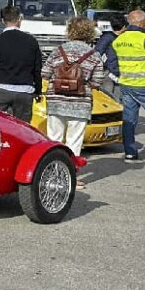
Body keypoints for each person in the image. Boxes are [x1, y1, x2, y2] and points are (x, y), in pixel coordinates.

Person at [41, 17, 105, 181]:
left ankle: (50, 175)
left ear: (70, 31)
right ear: (89, 33)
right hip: (80, 103)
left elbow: (45, 74)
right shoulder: (94, 55)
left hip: (56, 102)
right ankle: (69, 177)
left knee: (53, 140)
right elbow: (97, 82)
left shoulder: (58, 51)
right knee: (74, 143)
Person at [110, 9, 145, 164]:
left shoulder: (118, 40)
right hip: (144, 86)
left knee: (129, 119)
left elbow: (114, 62)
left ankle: (130, 153)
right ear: (142, 22)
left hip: (126, 84)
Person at [0, 5, 43, 122]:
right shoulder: (31, 41)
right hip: (25, 91)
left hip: (2, 89)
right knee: (22, 127)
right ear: (20, 19)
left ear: (2, 20)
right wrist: (38, 91)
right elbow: (37, 69)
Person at [94, 13, 127, 99]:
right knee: (108, 98)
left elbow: (96, 53)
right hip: (110, 72)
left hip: (119, 72)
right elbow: (97, 53)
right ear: (124, 26)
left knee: (116, 99)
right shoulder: (108, 37)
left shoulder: (109, 37)